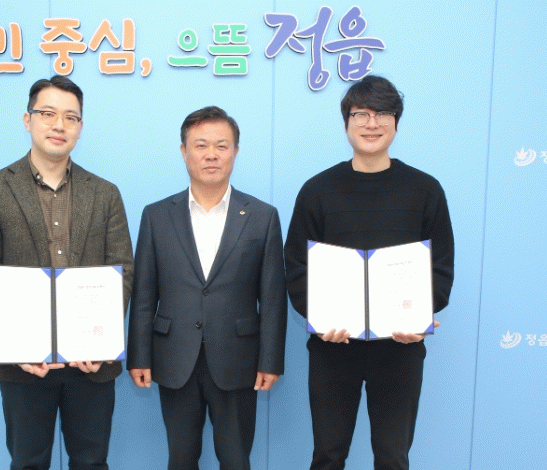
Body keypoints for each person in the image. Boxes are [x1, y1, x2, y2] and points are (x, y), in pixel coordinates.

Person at [0, 75, 134, 470]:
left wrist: (101, 341)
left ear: (80, 127)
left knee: (91, 462)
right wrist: (16, 344)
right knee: (28, 463)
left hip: (90, 364)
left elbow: (123, 270)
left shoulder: (105, 193)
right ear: (28, 120)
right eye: (48, 114)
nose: (59, 125)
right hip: (23, 365)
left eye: (70, 117)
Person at [284, 75, 454, 470]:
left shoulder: (425, 190)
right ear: (347, 123)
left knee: (393, 457)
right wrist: (319, 318)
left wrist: (420, 316)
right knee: (328, 455)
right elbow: (296, 266)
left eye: (383, 114)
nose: (372, 123)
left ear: (396, 122)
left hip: (399, 347)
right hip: (333, 346)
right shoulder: (317, 190)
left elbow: (441, 268)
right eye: (361, 114)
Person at [127, 106, 288, 470]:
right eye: (201, 145)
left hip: (238, 359)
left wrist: (270, 360)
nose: (211, 154)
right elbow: (144, 294)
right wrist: (139, 355)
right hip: (174, 357)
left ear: (235, 151)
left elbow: (273, 299)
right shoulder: (157, 215)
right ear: (184, 151)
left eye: (221, 145)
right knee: (181, 459)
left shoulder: (262, 217)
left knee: (236, 459)